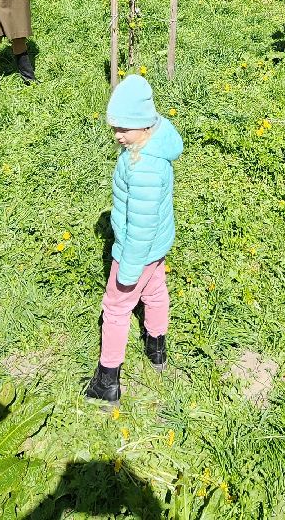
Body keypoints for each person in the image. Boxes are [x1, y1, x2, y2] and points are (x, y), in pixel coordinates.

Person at [85, 75, 183, 402]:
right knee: (155, 293)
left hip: (136, 252)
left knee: (116, 307)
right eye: (114, 128)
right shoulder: (156, 144)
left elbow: (140, 225)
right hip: (155, 250)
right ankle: (157, 350)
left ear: (143, 126)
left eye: (124, 129)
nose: (117, 136)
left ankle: (107, 380)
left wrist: (127, 268)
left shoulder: (143, 168)